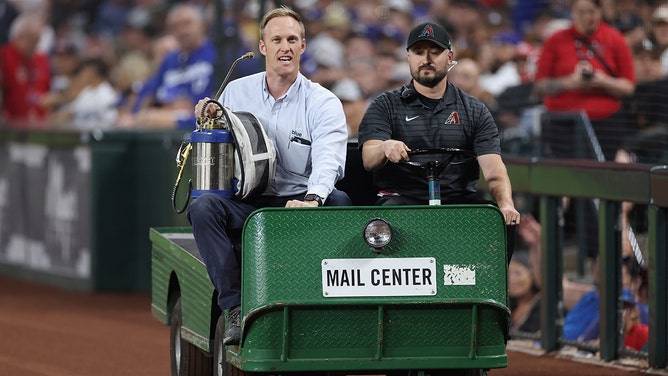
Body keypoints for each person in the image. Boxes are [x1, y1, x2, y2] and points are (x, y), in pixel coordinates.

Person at [188, 6, 351, 346]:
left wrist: (313, 198)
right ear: (263, 47)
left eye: (292, 39)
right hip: (248, 203)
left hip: (298, 204)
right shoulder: (235, 92)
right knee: (203, 206)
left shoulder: (323, 101)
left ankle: (337, 304)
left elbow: (329, 158)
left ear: (303, 46)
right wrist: (205, 114)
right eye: (276, 40)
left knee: (338, 200)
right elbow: (214, 140)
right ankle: (234, 307)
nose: (285, 47)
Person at [357, 21, 520, 234]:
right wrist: (385, 147)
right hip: (402, 201)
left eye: (435, 52)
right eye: (418, 52)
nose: (426, 59)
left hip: (458, 202)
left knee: (498, 221)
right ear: (409, 58)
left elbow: (494, 170)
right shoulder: (385, 105)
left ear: (450, 57)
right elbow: (369, 158)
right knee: (380, 225)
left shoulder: (474, 110)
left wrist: (506, 204)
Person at [533, 0, 636, 162]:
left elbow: (629, 87)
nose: (587, 17)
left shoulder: (615, 39)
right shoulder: (555, 40)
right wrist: (568, 83)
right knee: (568, 173)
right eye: (581, 12)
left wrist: (604, 81)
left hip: (605, 124)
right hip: (564, 125)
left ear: (600, 10)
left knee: (603, 173)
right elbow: (539, 85)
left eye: (592, 12)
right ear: (572, 11)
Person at [118, 3, 216, 129]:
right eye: (175, 27)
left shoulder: (218, 55)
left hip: (198, 128)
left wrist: (175, 119)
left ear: (202, 25)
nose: (182, 31)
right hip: (161, 130)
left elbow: (218, 109)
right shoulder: (169, 60)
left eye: (187, 23)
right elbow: (146, 97)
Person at [0, 13, 51, 129]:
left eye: (38, 40)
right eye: (32, 40)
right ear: (19, 37)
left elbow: (45, 91)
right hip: (9, 127)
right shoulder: (4, 57)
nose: (36, 45)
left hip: (39, 126)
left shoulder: (40, 59)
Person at [508, 251, 541, 334]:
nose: (512, 279)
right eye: (508, 274)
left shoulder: (542, 305)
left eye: (517, 273)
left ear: (532, 274)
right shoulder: (508, 306)